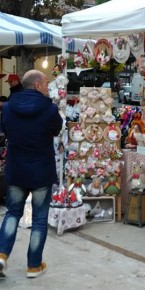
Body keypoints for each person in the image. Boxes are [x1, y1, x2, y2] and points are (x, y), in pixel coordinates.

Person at [0, 70, 63, 279]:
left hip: (17, 169)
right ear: (37, 85)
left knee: (12, 213)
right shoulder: (50, 108)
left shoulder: (7, 108)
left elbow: (6, 131)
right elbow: (56, 130)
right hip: (40, 172)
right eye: (46, 83)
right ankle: (34, 266)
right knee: (38, 220)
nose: (48, 87)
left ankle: (2, 254)